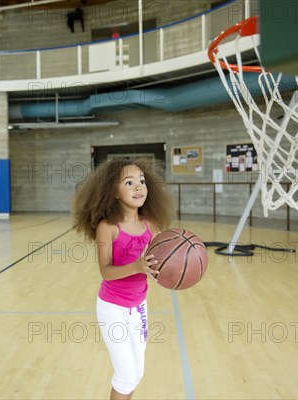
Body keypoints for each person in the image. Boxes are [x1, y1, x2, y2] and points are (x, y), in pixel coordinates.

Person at [72, 158, 174, 400]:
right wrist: (136, 266)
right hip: (112, 308)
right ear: (114, 192)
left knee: (136, 373)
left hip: (139, 306)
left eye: (141, 181)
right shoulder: (108, 227)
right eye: (129, 182)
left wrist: (171, 268)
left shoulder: (152, 225)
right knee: (126, 375)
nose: (138, 187)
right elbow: (105, 271)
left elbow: (157, 264)